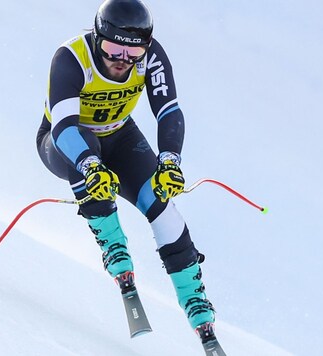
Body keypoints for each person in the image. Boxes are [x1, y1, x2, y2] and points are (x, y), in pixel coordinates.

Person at [36, 0, 218, 347]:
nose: (123, 60)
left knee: (159, 200)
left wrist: (170, 162)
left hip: (121, 134)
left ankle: (195, 301)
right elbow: (63, 126)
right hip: (65, 140)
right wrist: (90, 165)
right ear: (97, 37)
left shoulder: (152, 56)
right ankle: (114, 247)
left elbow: (169, 111)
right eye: (113, 48)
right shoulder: (71, 57)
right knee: (93, 173)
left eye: (133, 52)